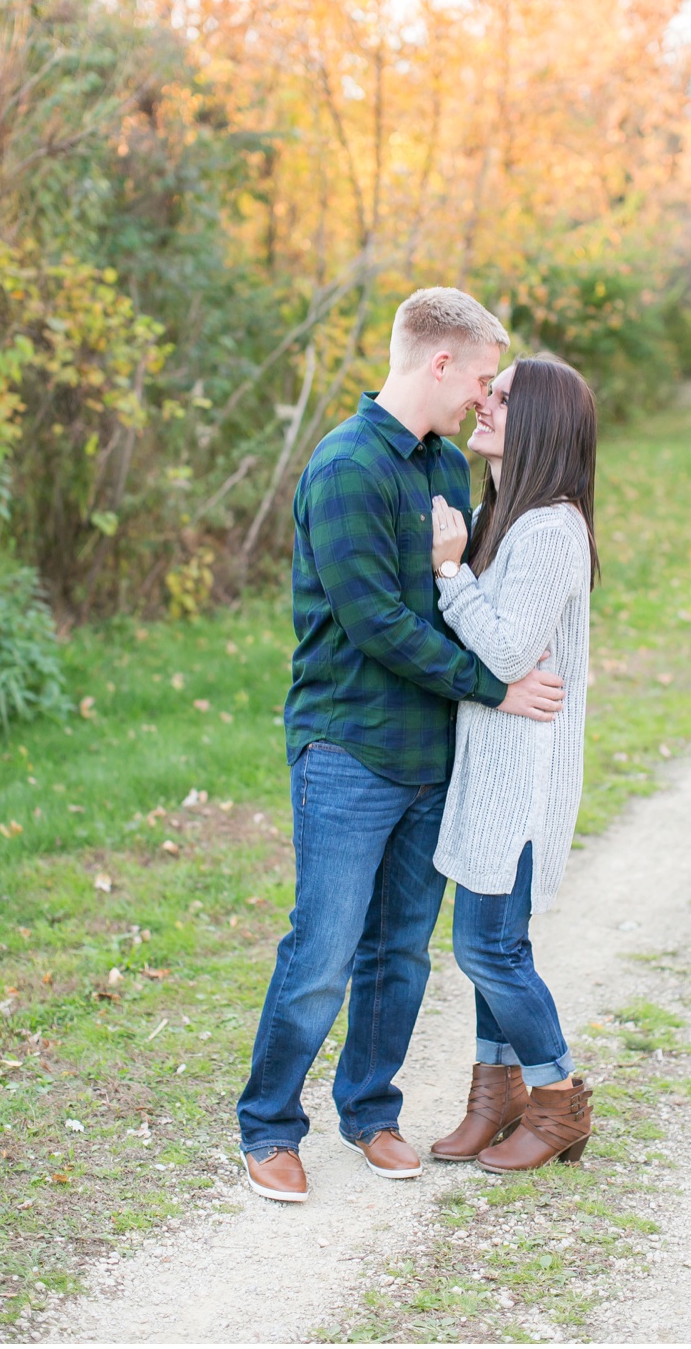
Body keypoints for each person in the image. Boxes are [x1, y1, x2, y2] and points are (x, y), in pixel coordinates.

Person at [237, 288, 567, 1204]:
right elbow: (379, 623)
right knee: (323, 948)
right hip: (348, 747)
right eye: (482, 378)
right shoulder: (345, 467)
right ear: (440, 363)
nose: (484, 398)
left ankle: (370, 1114)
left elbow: (464, 597)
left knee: (401, 953)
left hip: (434, 756)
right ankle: (268, 1127)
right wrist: (496, 688)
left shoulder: (450, 472)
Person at [423, 356, 600, 1171]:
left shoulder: (551, 530)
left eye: (501, 397)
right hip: (491, 770)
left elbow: (502, 647)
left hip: (520, 783)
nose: (483, 403)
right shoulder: (511, 517)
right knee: (493, 942)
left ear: (537, 423)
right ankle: (496, 1094)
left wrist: (451, 573)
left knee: (490, 949)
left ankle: (558, 1096)